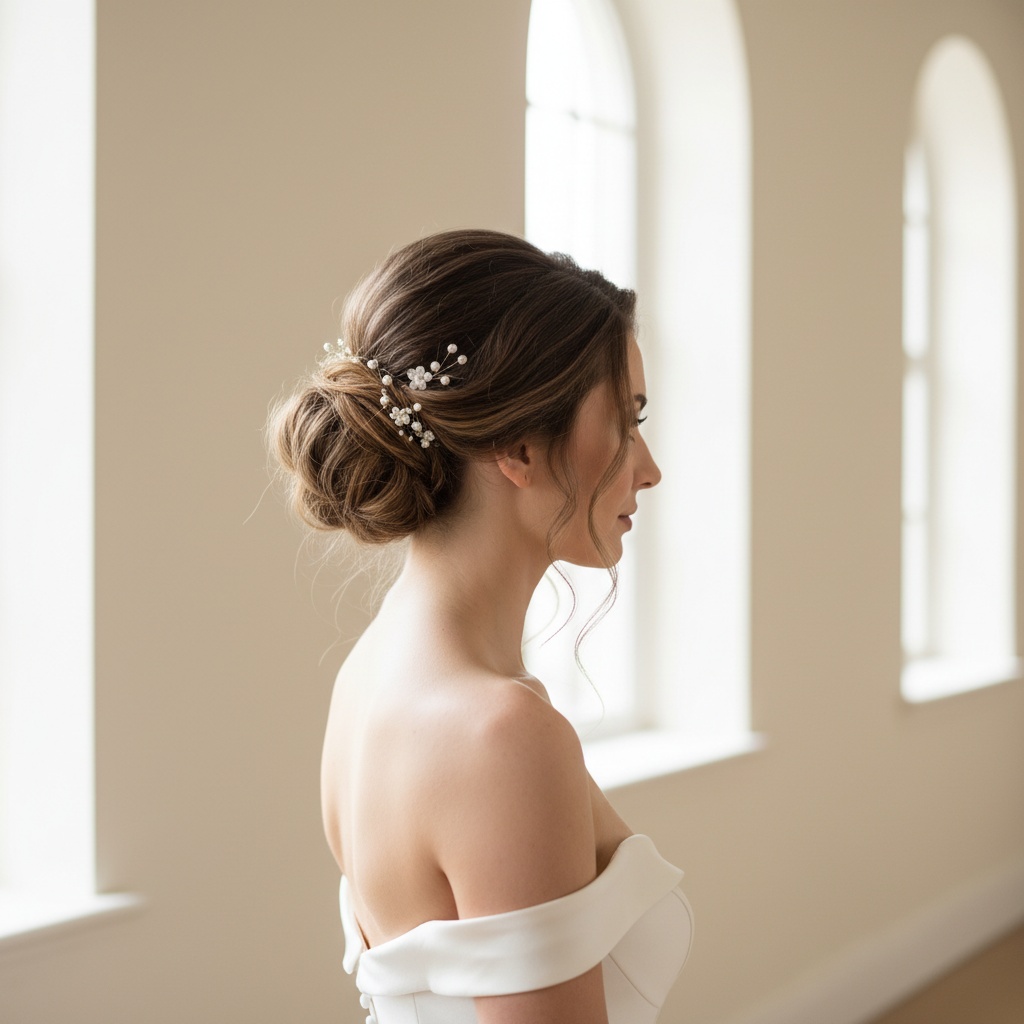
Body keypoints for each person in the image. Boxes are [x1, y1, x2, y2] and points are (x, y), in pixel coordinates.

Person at [271, 229, 692, 1024]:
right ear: (519, 446)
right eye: (627, 422)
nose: (649, 466)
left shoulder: (369, 673)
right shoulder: (500, 735)